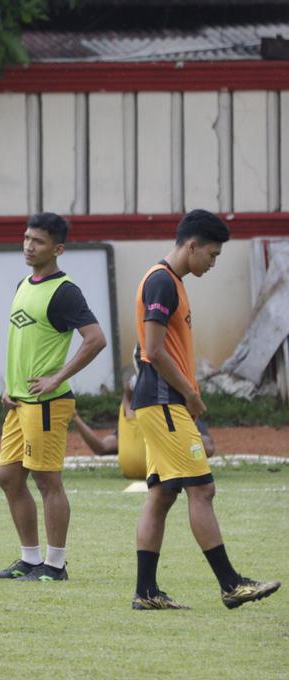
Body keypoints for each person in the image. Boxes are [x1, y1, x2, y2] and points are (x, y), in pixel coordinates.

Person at [130, 210, 280, 610]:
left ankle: (146, 592)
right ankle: (231, 584)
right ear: (191, 245)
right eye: (211, 255)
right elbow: (154, 350)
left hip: (158, 400)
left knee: (163, 495)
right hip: (164, 400)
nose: (213, 264)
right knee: (203, 488)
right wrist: (191, 396)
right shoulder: (163, 282)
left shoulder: (170, 281)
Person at [0, 212, 106, 582]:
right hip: (20, 402)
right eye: (26, 238)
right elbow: (23, 343)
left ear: (57, 249)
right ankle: (29, 558)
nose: (28, 245)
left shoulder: (65, 292)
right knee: (9, 478)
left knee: (46, 481)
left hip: (47, 405)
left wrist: (57, 377)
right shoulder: (23, 284)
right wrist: (10, 385)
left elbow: (95, 339)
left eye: (37, 241)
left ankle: (54, 566)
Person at [72, 374, 214, 480]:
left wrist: (180, 438)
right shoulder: (132, 422)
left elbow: (208, 447)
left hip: (169, 462)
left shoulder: (176, 412)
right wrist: (75, 417)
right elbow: (101, 447)